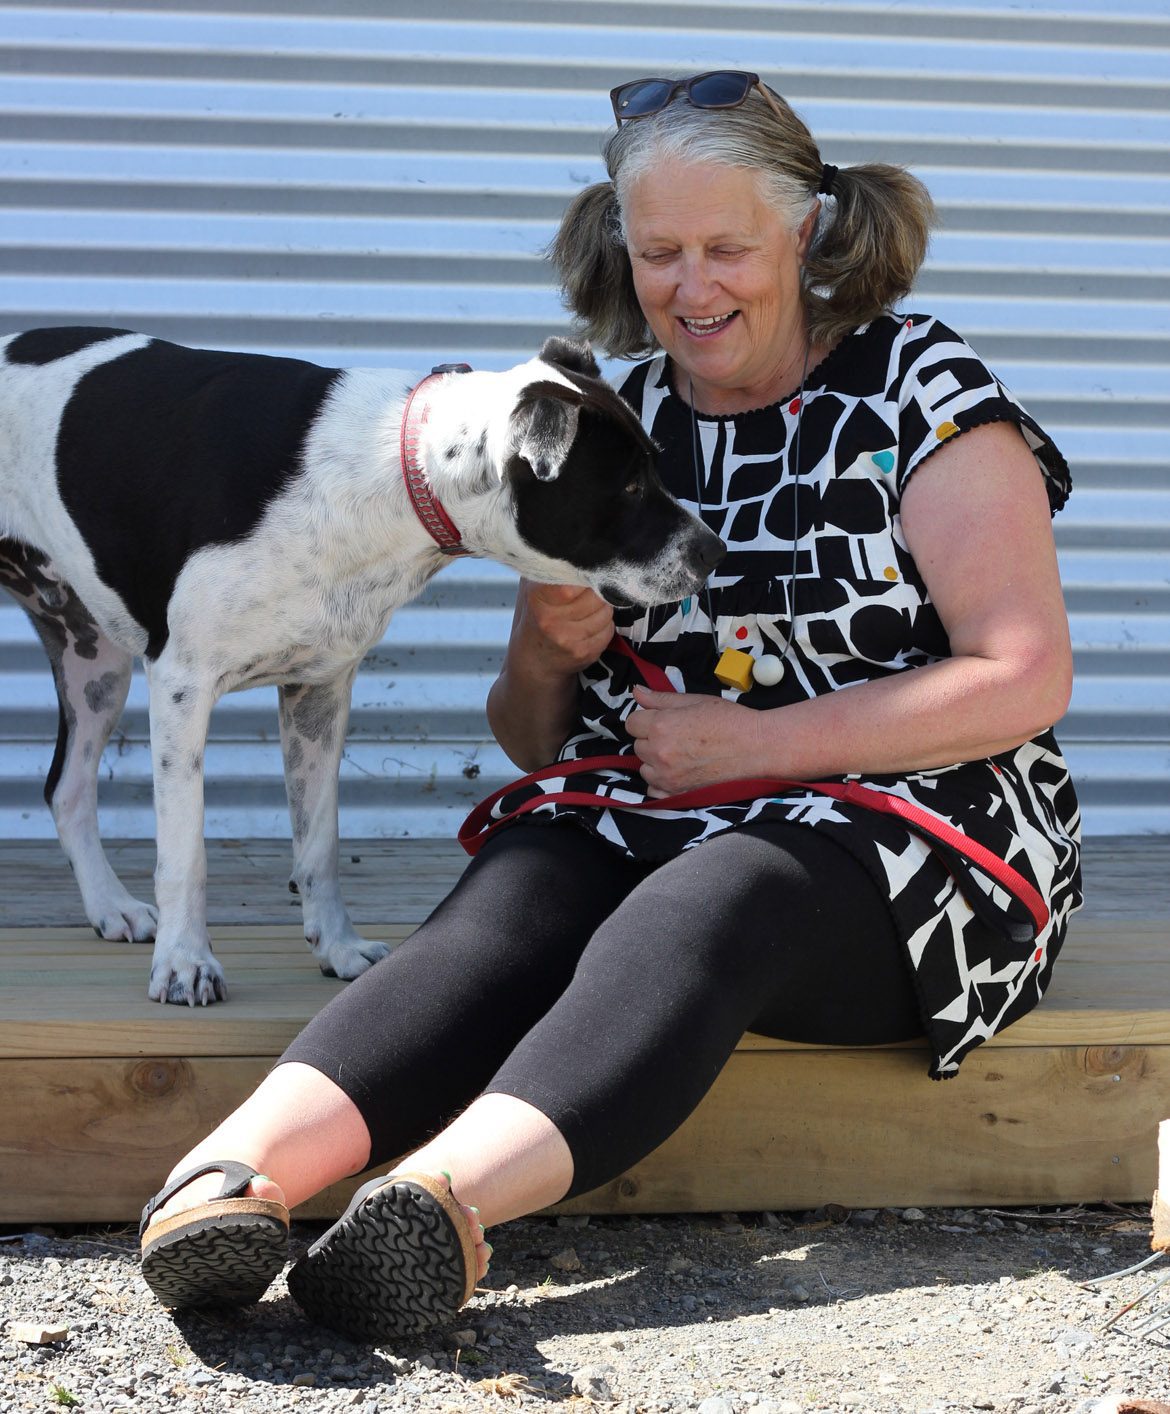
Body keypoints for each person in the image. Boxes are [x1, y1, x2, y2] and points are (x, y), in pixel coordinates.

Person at [138, 70, 1081, 1342]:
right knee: (512, 897)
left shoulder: (922, 387)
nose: (691, 289)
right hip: (658, 806)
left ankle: (435, 1207)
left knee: (715, 896)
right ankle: (225, 1181)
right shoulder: (609, 418)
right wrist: (543, 652)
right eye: (658, 253)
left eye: (726, 249)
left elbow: (1024, 676)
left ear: (808, 229)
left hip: (920, 839)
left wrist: (762, 747)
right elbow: (539, 739)